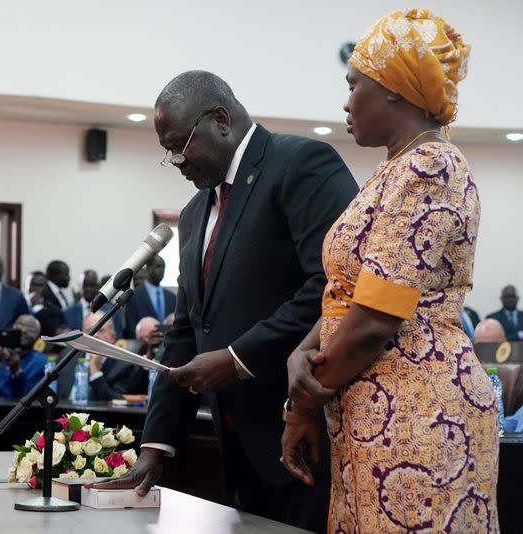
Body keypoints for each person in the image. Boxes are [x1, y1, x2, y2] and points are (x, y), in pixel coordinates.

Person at [90, 70, 357, 532]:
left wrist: (236, 360)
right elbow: (186, 331)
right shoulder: (194, 214)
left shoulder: (299, 163)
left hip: (305, 430)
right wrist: (156, 444)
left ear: (220, 120)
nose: (175, 160)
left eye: (179, 143)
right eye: (167, 150)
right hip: (234, 443)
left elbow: (332, 287)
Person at [281, 10, 499, 533]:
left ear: (394, 90)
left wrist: (302, 403)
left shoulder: (430, 167)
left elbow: (377, 318)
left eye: (354, 85)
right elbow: (351, 292)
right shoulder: (395, 168)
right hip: (375, 405)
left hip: (417, 414)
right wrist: (302, 349)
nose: (345, 101)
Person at [56, 312, 135, 401]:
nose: (95, 335)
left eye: (101, 330)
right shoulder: (67, 357)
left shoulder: (123, 366)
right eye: (90, 331)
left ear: (112, 337)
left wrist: (94, 370)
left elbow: (116, 403)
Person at [124, 255, 176, 337]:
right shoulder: (134, 296)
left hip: (168, 344)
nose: (161, 270)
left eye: (163, 267)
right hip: (142, 344)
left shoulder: (172, 297)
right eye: (158, 267)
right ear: (148, 268)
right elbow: (131, 325)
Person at [63, 269, 124, 337]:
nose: (88, 289)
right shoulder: (68, 312)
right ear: (80, 286)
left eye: (92, 285)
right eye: (85, 285)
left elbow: (118, 337)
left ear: (98, 286)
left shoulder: (112, 310)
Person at [28, 268, 65, 336]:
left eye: (40, 285)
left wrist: (37, 307)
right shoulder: (18, 303)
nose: (35, 288)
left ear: (45, 288)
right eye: (33, 284)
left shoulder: (53, 310)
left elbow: (52, 331)